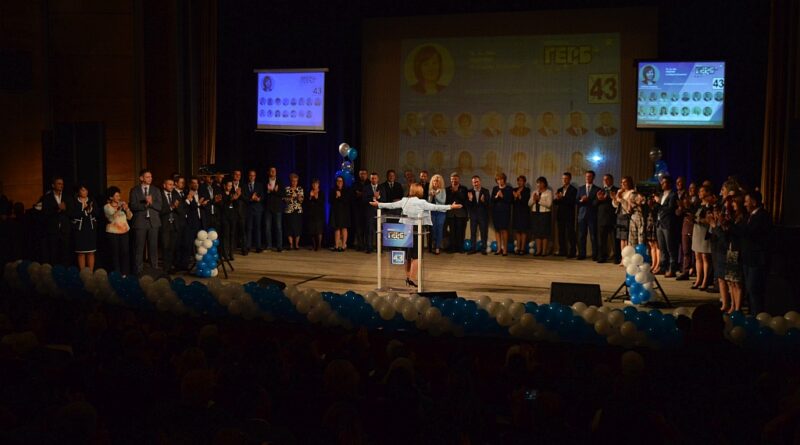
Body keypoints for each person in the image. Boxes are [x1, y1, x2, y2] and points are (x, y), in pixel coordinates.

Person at [370, 183, 462, 286]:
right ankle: (412, 279)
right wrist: (451, 206)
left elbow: (391, 205)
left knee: (408, 256)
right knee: (416, 256)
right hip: (416, 230)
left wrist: (378, 204)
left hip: (405, 229)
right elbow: (436, 207)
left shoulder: (405, 200)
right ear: (419, 191)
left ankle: (408, 277)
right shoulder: (421, 202)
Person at [738, 191, 771, 314]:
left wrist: (732, 225)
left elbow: (751, 233)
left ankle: (757, 316)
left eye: (746, 201)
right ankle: (751, 314)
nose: (745, 204)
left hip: (756, 260)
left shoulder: (763, 216)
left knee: (754, 289)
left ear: (754, 202)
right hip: (747, 258)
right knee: (749, 290)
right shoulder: (748, 216)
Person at [130, 168, 163, 275]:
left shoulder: (156, 190)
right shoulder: (135, 190)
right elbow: (133, 206)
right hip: (140, 223)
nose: (150, 178)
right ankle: (138, 272)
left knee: (153, 248)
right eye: (147, 177)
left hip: (153, 223)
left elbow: (160, 206)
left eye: (151, 177)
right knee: (139, 248)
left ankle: (154, 271)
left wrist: (151, 203)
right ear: (141, 178)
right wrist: (145, 205)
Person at [40, 176, 71, 266]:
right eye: (59, 183)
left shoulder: (67, 197)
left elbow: (71, 211)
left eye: (62, 184)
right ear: (53, 185)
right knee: (53, 254)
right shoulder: (47, 197)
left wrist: (65, 209)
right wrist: (57, 208)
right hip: (53, 230)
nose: (61, 185)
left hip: (65, 230)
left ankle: (65, 271)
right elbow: (45, 212)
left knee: (65, 254)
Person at [103, 186, 132, 276]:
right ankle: (117, 273)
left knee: (125, 253)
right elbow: (111, 219)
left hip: (124, 232)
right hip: (113, 233)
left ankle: (125, 274)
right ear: (111, 197)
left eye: (119, 195)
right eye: (116, 196)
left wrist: (126, 209)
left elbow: (130, 217)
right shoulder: (107, 207)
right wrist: (119, 209)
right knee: (115, 253)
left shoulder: (122, 205)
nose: (119, 197)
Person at [690, 185, 714, 292]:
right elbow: (694, 216)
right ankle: (698, 279)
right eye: (699, 191)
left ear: (707, 192)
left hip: (704, 232)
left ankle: (705, 281)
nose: (699, 193)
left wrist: (699, 220)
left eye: (702, 191)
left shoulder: (710, 206)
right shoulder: (698, 205)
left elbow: (709, 220)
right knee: (697, 256)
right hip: (697, 231)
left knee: (705, 256)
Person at [655, 176, 679, 277]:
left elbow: (671, 209)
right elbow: (658, 208)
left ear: (669, 183)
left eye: (664, 182)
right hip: (659, 223)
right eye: (662, 182)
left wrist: (659, 204)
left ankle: (672, 269)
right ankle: (663, 267)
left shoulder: (673, 194)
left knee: (670, 248)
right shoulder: (661, 194)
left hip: (668, 224)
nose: (662, 184)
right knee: (662, 247)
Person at [70, 185, 98, 270]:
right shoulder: (74, 201)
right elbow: (72, 214)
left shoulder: (92, 201)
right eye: (82, 190)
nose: (85, 192)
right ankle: (82, 273)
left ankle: (90, 273)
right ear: (78, 191)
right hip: (80, 230)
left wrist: (91, 210)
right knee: (81, 253)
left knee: (91, 252)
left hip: (90, 228)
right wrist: (84, 211)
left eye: (86, 190)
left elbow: (97, 213)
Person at [594, 174, 619, 263]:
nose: (605, 181)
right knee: (601, 240)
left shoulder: (617, 190)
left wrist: (612, 198)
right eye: (604, 179)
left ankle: (616, 258)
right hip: (601, 219)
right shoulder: (600, 190)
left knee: (615, 240)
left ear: (612, 180)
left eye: (607, 179)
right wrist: (599, 199)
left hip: (613, 218)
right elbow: (594, 204)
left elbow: (618, 204)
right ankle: (601, 257)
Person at [676, 179, 698, 280]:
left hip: (694, 227)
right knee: (686, 251)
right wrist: (680, 208)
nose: (691, 190)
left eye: (693, 188)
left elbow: (695, 213)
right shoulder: (686, 199)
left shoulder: (699, 200)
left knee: (695, 252)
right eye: (690, 188)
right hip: (685, 227)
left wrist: (688, 208)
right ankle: (685, 271)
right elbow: (678, 213)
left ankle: (695, 270)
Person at [159, 178, 183, 272]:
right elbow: (160, 210)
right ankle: (165, 268)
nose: (172, 186)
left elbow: (181, 210)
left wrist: (176, 207)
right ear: (164, 185)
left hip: (174, 225)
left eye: (173, 184)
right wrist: (171, 207)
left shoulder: (176, 195)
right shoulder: (160, 195)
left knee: (172, 247)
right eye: (169, 184)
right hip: (164, 225)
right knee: (165, 247)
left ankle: (170, 267)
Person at [576, 171, 600, 260]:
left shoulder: (597, 189)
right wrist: (581, 200)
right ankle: (581, 254)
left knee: (593, 236)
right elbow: (576, 201)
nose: (587, 178)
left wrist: (587, 200)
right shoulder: (580, 188)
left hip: (592, 215)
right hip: (582, 215)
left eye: (589, 176)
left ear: (593, 178)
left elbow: (596, 202)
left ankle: (595, 255)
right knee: (581, 235)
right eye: (586, 176)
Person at [554, 172, 577, 257]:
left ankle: (572, 252)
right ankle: (562, 251)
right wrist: (557, 198)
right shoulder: (560, 189)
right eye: (563, 179)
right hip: (560, 214)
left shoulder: (573, 190)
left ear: (570, 179)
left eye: (566, 178)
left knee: (570, 233)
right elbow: (555, 202)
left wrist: (562, 198)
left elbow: (572, 201)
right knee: (561, 234)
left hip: (569, 215)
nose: (564, 180)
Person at [529, 177, 553, 257]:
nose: (539, 184)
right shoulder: (534, 192)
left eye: (540, 183)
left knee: (544, 233)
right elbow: (529, 204)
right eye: (538, 183)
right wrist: (534, 199)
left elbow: (549, 204)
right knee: (537, 233)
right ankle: (538, 251)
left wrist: (539, 200)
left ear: (544, 184)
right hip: (535, 214)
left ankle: (544, 251)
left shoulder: (548, 192)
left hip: (545, 214)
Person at [612, 176, 635, 260]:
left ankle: (628, 258)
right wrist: (615, 197)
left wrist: (620, 198)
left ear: (629, 183)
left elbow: (627, 206)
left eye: (625, 182)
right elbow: (615, 205)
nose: (623, 184)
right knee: (621, 238)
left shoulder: (632, 192)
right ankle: (623, 258)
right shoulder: (621, 192)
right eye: (622, 182)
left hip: (627, 216)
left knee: (626, 238)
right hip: (620, 216)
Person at [466, 176, 490, 255]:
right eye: (474, 182)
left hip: (483, 216)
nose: (475, 184)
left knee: (484, 233)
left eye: (477, 182)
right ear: (472, 183)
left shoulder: (485, 191)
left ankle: (483, 249)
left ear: (480, 182)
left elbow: (489, 205)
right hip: (473, 216)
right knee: (473, 233)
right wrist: (470, 199)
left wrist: (483, 201)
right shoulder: (469, 191)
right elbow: (467, 206)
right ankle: (473, 248)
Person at [491, 173, 514, 256]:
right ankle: (498, 249)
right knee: (497, 230)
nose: (499, 181)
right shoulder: (495, 188)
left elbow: (510, 201)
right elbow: (492, 201)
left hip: (505, 212)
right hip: (496, 212)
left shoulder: (509, 189)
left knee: (504, 230)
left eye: (501, 179)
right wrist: (496, 197)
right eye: (498, 180)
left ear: (504, 180)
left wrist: (502, 196)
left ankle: (505, 250)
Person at [445, 173, 468, 253]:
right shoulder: (447, 189)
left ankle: (460, 248)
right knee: (452, 232)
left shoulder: (464, 188)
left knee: (460, 231)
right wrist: (453, 192)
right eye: (452, 179)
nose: (454, 180)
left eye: (455, 179)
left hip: (461, 214)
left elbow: (464, 199)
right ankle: (452, 248)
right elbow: (446, 201)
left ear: (458, 179)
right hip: (450, 214)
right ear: (450, 180)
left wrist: (457, 191)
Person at [243, 170, 265, 255]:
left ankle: (258, 247)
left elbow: (263, 196)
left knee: (257, 228)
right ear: (248, 176)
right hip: (248, 209)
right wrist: (251, 199)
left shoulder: (259, 185)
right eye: (250, 175)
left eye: (253, 175)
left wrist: (259, 199)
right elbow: (244, 197)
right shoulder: (245, 185)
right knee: (249, 228)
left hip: (257, 209)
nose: (252, 177)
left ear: (255, 176)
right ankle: (248, 246)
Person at [263, 167, 283, 252]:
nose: (273, 172)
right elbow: (263, 194)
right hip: (268, 207)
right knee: (267, 227)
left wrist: (274, 191)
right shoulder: (265, 181)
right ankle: (269, 245)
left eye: (274, 170)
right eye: (271, 170)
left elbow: (282, 193)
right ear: (268, 172)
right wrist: (268, 191)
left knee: (278, 227)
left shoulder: (280, 181)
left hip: (277, 208)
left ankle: (279, 246)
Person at [220, 179, 241, 261]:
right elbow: (222, 206)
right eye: (228, 185)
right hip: (225, 217)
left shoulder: (233, 193)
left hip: (233, 217)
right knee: (226, 235)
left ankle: (231, 253)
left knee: (232, 235)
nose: (230, 187)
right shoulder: (221, 194)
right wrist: (231, 200)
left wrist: (237, 198)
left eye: (231, 186)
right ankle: (225, 254)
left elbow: (236, 206)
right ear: (224, 186)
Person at [329, 176, 351, 252]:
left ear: (343, 182)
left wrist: (340, 196)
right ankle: (337, 245)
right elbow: (330, 201)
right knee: (336, 228)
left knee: (344, 228)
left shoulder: (347, 190)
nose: (339, 182)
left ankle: (344, 245)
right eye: (338, 181)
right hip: (335, 212)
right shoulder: (333, 190)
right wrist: (336, 196)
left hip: (344, 212)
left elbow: (347, 200)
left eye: (341, 181)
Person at [361, 173, 382, 254]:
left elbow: (384, 199)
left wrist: (378, 197)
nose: (374, 180)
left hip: (379, 212)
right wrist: (373, 197)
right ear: (370, 179)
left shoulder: (381, 187)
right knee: (369, 230)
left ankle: (378, 248)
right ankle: (369, 248)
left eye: (375, 178)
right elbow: (364, 199)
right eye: (372, 178)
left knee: (379, 231)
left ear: (378, 179)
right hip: (369, 212)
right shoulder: (366, 188)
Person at [427, 174, 447, 255]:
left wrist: (436, 195)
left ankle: (437, 247)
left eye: (437, 181)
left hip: (441, 212)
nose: (436, 182)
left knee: (439, 229)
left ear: (440, 182)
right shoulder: (430, 190)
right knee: (433, 230)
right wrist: (431, 196)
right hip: (432, 212)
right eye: (434, 181)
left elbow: (443, 201)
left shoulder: (442, 190)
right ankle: (434, 245)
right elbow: (428, 202)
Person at [283, 173, 304, 250]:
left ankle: (297, 244)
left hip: (298, 211)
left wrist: (299, 198)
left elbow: (301, 200)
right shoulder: (287, 189)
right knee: (289, 228)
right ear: (290, 181)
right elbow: (283, 199)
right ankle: (291, 244)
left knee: (297, 228)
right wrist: (290, 198)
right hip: (289, 211)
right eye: (293, 181)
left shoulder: (300, 189)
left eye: (296, 181)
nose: (294, 182)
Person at [304, 178, 325, 251]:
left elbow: (322, 203)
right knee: (312, 231)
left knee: (319, 231)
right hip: (311, 214)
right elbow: (306, 203)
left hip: (319, 214)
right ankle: (314, 245)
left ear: (318, 185)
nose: (314, 185)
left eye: (316, 184)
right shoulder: (309, 192)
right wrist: (310, 197)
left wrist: (316, 198)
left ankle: (319, 246)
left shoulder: (321, 193)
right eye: (313, 184)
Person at [512, 176, 531, 255]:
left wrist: (519, 196)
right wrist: (515, 197)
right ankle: (518, 248)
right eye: (518, 181)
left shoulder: (527, 190)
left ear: (524, 182)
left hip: (524, 212)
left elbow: (526, 201)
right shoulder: (514, 190)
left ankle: (522, 248)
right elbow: (512, 201)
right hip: (516, 212)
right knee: (517, 230)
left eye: (521, 181)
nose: (520, 182)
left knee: (523, 231)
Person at [353, 169, 369, 252]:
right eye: (361, 174)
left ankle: (367, 245)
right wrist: (362, 194)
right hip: (358, 209)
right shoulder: (355, 183)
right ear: (359, 175)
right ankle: (360, 245)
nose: (363, 175)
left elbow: (369, 194)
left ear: (367, 174)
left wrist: (362, 194)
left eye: (364, 174)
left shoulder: (369, 183)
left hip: (367, 209)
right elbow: (353, 194)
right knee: (358, 228)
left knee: (367, 228)